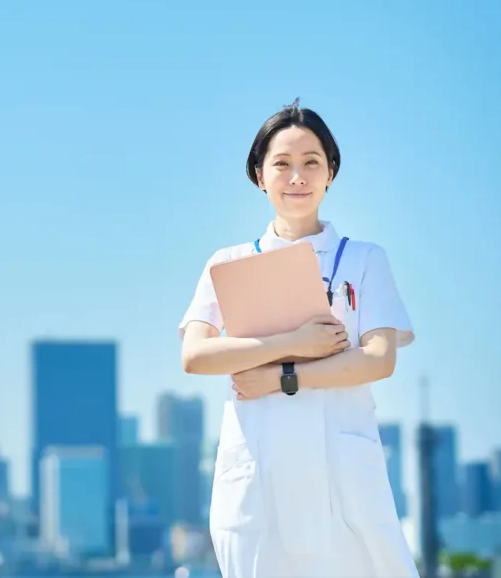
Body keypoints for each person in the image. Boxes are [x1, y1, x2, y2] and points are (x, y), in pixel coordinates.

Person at [178, 99, 418, 578]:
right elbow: (196, 354)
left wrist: (280, 377)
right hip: (257, 477)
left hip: (344, 475)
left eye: (312, 162)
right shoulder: (228, 263)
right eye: (281, 164)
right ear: (259, 175)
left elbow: (377, 360)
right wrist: (293, 341)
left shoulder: (364, 259)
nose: (297, 177)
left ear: (331, 172)